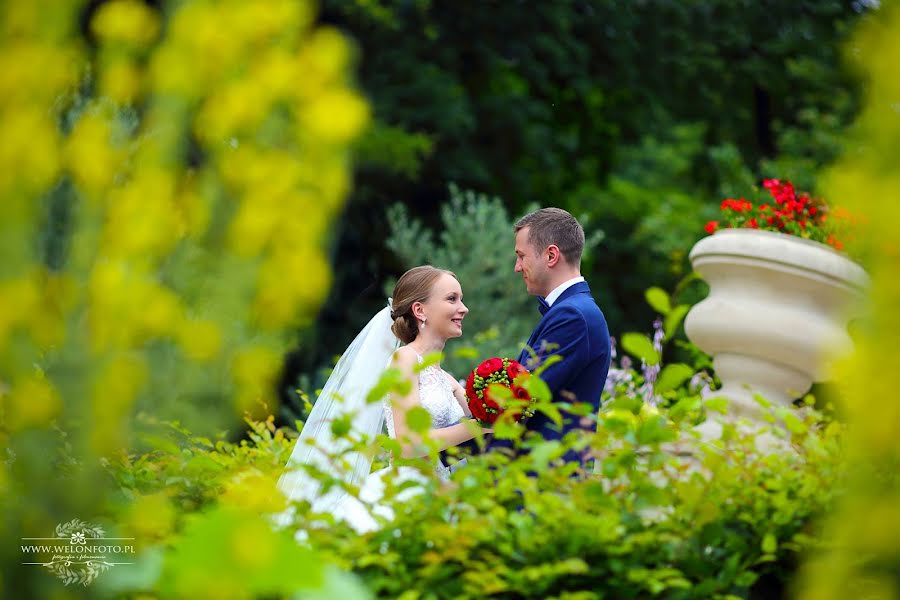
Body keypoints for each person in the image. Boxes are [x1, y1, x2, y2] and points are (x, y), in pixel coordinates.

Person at [277, 266, 488, 533]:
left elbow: (477, 432)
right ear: (420, 310)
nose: (464, 308)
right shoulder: (405, 360)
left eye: (461, 299)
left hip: (443, 492)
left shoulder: (446, 378)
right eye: (452, 299)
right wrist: (477, 427)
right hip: (406, 493)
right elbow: (409, 444)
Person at [491, 207, 611, 466]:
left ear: (551, 255)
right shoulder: (573, 311)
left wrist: (442, 447)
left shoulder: (573, 316)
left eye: (521, 256)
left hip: (547, 478)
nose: (517, 267)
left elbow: (521, 400)